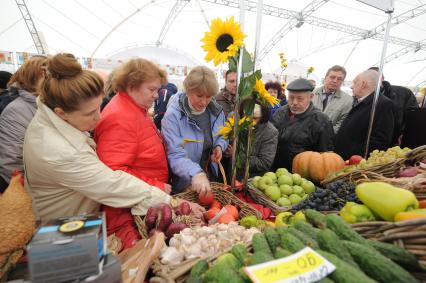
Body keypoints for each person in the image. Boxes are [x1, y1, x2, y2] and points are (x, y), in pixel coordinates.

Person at [23, 54, 202, 239]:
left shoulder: (51, 120)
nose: (99, 118)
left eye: (99, 108)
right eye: (90, 113)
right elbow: (113, 183)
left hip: (74, 222)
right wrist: (170, 201)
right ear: (61, 114)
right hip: (63, 234)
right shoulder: (58, 152)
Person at [94, 58, 173, 248]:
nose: (157, 95)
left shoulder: (135, 108)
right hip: (127, 212)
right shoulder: (120, 117)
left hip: (141, 203)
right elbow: (113, 172)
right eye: (152, 89)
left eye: (157, 89)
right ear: (131, 86)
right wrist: (157, 186)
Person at [162, 66, 228, 194]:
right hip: (185, 183)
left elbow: (223, 135)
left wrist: (219, 146)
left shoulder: (216, 112)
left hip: (211, 178)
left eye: (208, 96)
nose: (204, 102)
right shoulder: (173, 116)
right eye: (199, 96)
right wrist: (196, 173)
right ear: (187, 90)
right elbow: (175, 154)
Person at [0, 57, 47, 193]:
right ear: (32, 79)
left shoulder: (47, 105)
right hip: (32, 193)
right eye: (47, 77)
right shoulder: (18, 110)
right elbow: (11, 164)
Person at [272, 78, 334, 170]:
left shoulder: (321, 121)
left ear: (311, 97)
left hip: (301, 174)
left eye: (300, 98)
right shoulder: (280, 112)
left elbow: (326, 155)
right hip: (274, 169)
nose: (294, 102)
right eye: (291, 97)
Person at [335, 70, 395, 160]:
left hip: (354, 161)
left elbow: (380, 139)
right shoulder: (363, 101)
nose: (351, 86)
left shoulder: (382, 104)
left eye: (355, 82)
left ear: (363, 84)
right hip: (343, 158)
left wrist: (355, 157)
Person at [368, 67, 418, 145]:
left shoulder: (404, 93)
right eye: (369, 79)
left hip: (396, 142)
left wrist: (405, 134)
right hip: (374, 141)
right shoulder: (365, 97)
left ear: (382, 78)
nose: (371, 81)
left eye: (374, 78)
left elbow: (413, 117)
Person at [238, 103, 278, 178]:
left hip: (253, 180)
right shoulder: (237, 122)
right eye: (245, 116)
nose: (249, 120)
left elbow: (264, 163)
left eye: (255, 118)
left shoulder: (270, 132)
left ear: (262, 117)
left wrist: (238, 156)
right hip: (232, 176)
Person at [312, 65, 352, 133]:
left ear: (342, 81)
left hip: (329, 140)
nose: (335, 81)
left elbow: (342, 125)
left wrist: (322, 133)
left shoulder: (348, 101)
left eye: (339, 79)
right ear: (325, 78)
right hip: (307, 138)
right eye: (332, 77)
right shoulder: (311, 94)